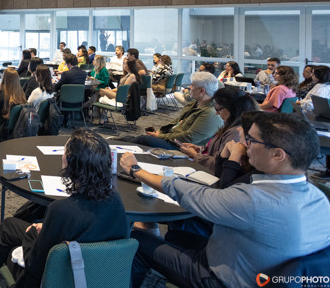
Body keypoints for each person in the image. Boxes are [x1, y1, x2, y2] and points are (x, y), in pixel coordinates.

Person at [122, 112, 330, 288]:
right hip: (256, 269)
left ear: (278, 154)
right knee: (179, 234)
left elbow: (192, 195)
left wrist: (136, 170)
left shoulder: (254, 200)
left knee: (135, 241)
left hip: (221, 279)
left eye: (252, 140)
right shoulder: (319, 199)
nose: (245, 145)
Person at [0, 130, 128, 288]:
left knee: (8, 242)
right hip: (97, 277)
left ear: (71, 163)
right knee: (10, 226)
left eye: (65, 152)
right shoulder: (116, 201)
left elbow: (36, 265)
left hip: (56, 279)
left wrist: (33, 234)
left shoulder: (60, 210)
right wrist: (47, 228)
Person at [129, 71, 222, 149]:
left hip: (182, 147)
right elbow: (178, 121)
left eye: (192, 85)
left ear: (202, 91)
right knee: (129, 139)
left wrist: (161, 136)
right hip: (173, 138)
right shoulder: (195, 103)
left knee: (143, 140)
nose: (189, 87)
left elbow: (189, 138)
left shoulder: (210, 114)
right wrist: (161, 132)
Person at [177, 87, 257, 174]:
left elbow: (221, 165)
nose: (217, 113)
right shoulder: (231, 125)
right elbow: (217, 152)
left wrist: (195, 155)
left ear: (232, 109)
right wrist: (200, 149)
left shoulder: (236, 132)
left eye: (219, 109)